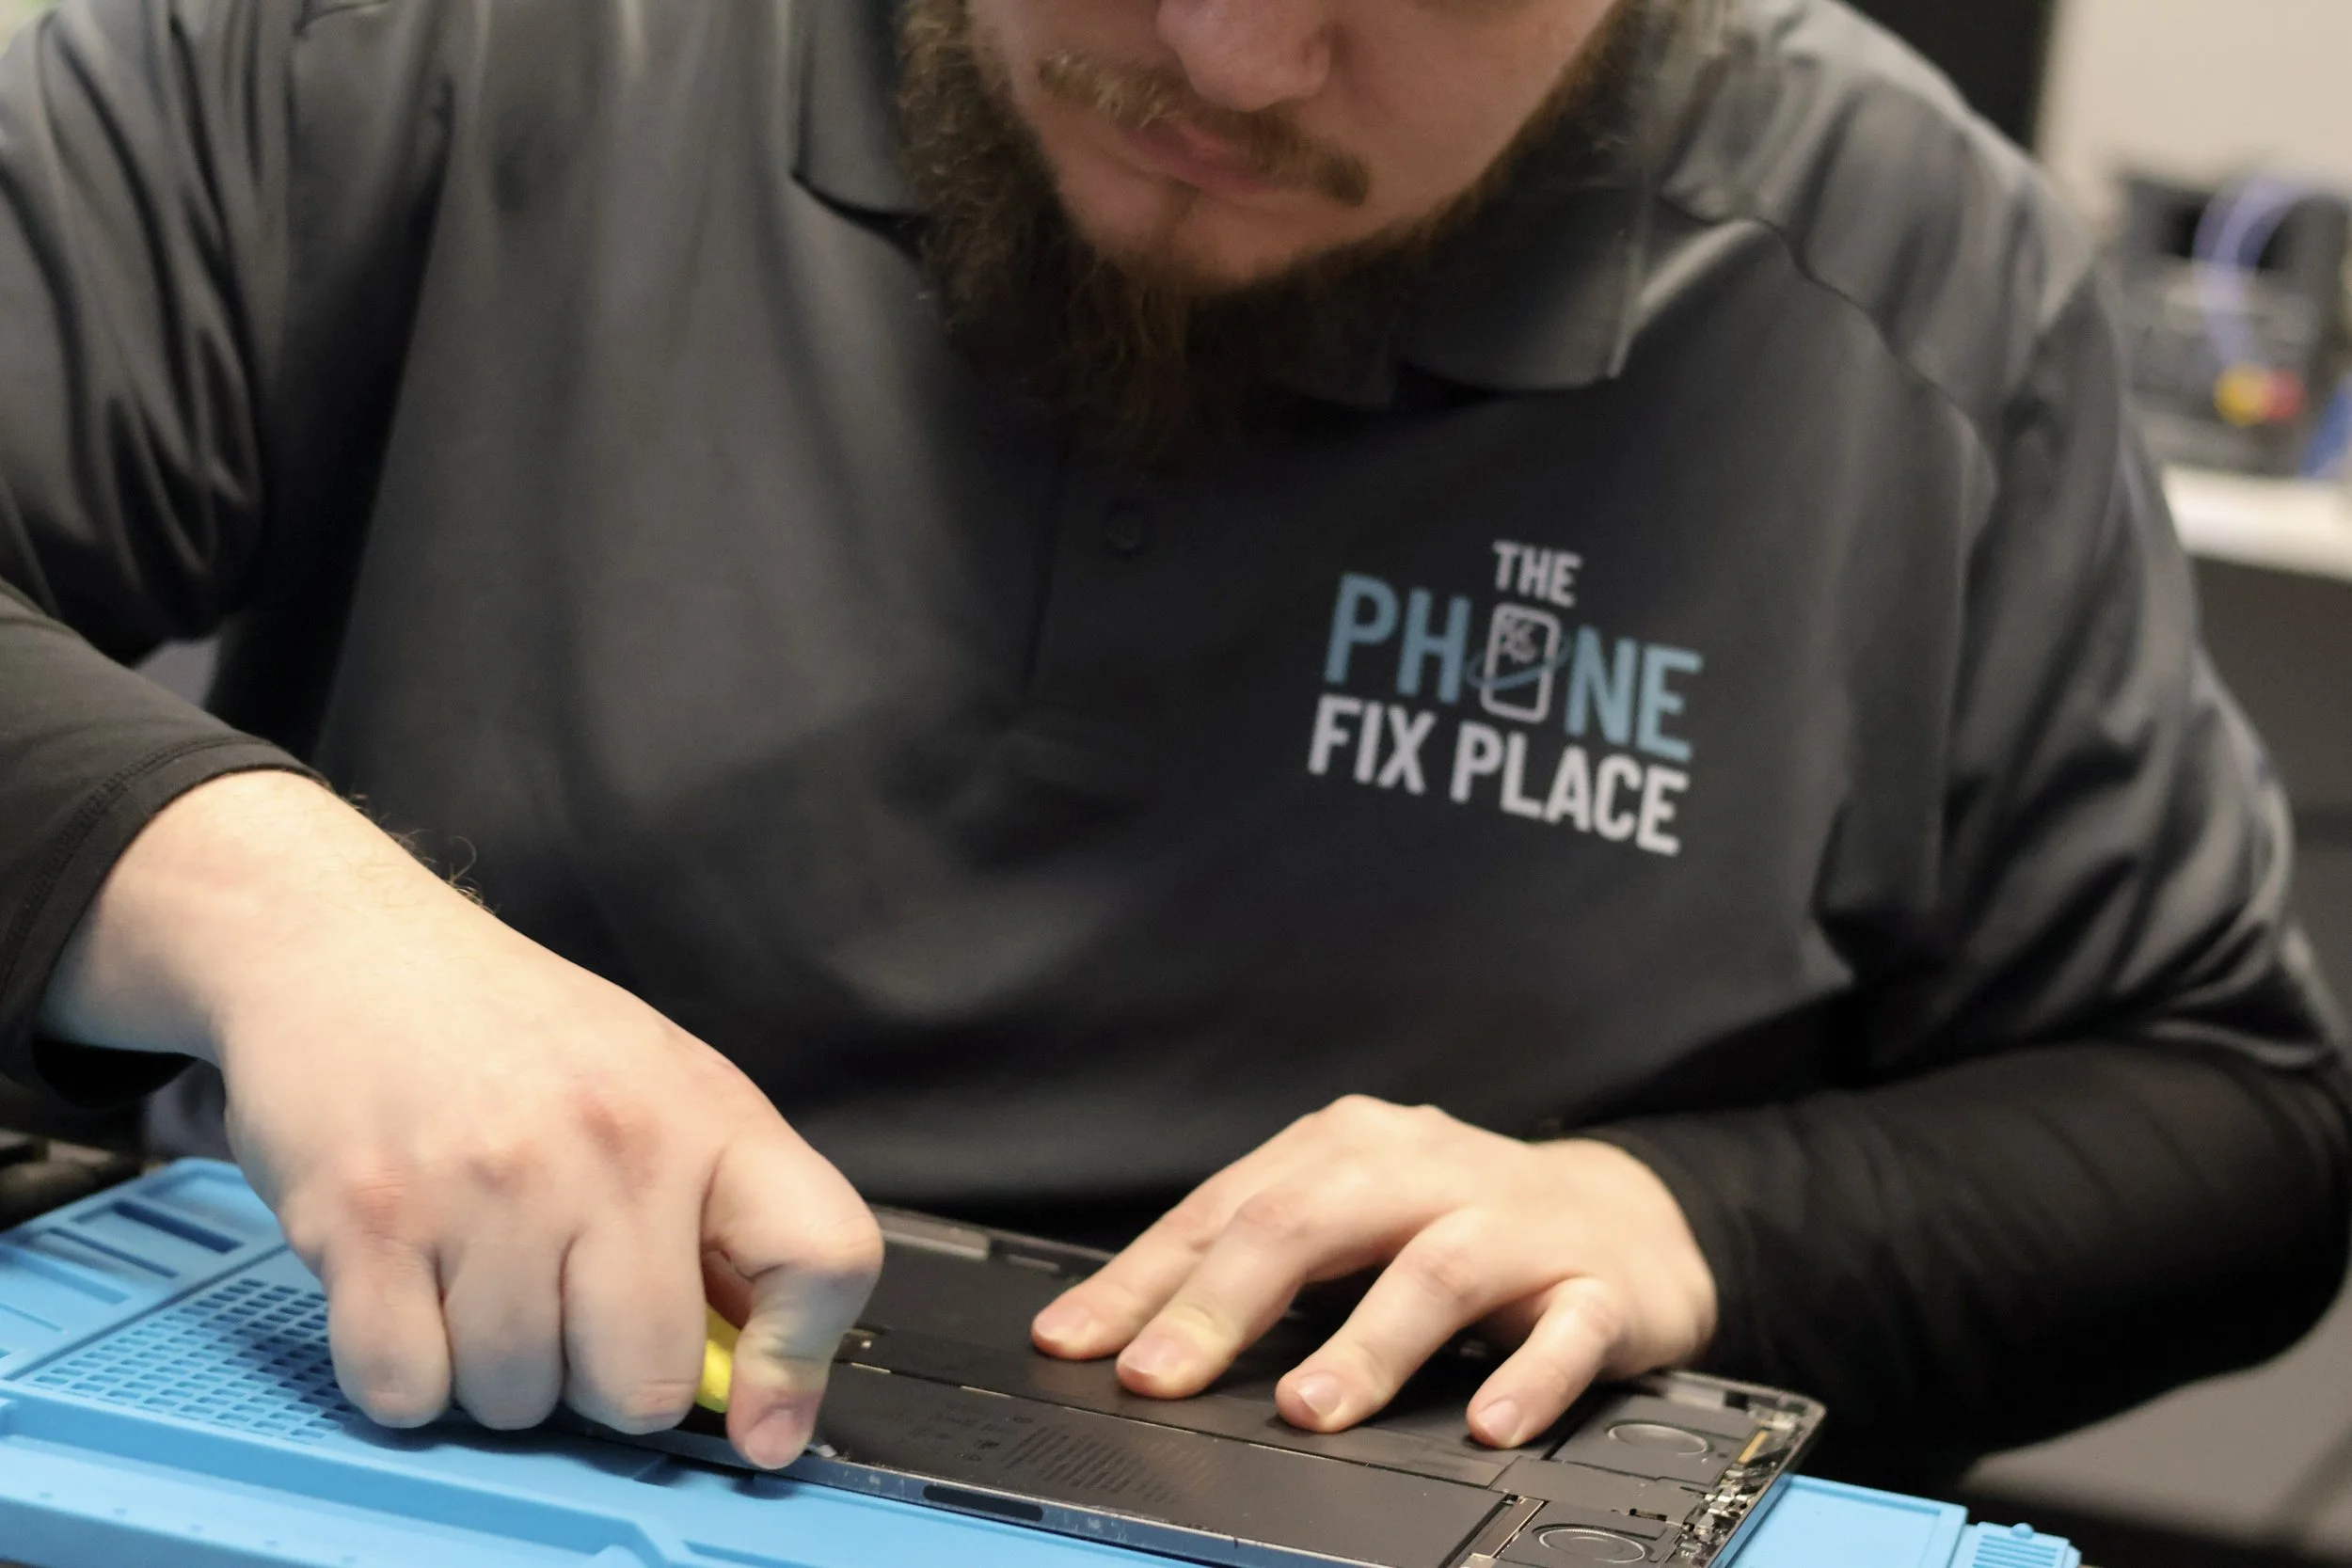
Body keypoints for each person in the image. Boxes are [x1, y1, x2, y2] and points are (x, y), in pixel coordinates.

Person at [1, 0, 2345, 1485]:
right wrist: (260, 898)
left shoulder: (1908, 280)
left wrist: (1681, 1217)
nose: (1232, 55)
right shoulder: (423, 47)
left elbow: (2226, 1114)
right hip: (401, 1436)